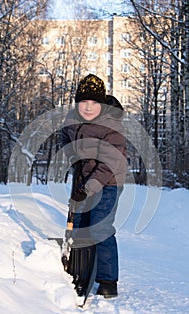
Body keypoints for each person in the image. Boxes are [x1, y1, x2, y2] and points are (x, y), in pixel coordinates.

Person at [61, 74, 126, 298]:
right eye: (83, 102)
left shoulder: (111, 126)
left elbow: (112, 160)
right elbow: (65, 140)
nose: (88, 108)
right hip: (83, 177)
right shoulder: (71, 121)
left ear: (102, 103)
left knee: (100, 227)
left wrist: (90, 187)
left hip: (108, 181)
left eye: (94, 103)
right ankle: (78, 272)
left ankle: (108, 280)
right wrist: (71, 158)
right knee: (79, 225)